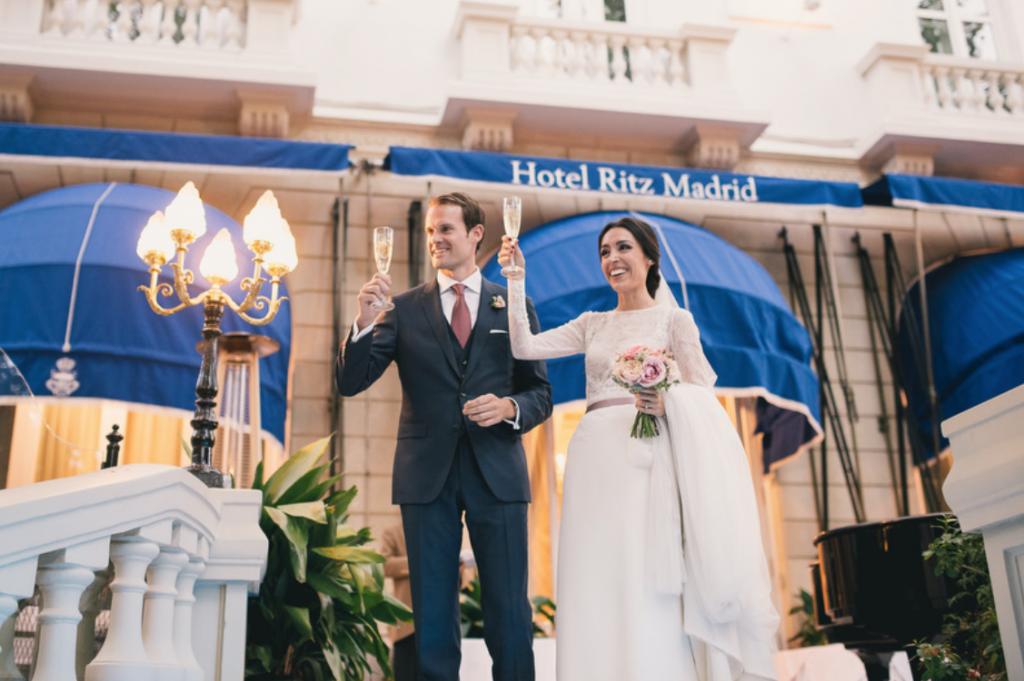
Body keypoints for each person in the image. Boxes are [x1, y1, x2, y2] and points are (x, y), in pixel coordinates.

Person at [498, 216, 779, 681]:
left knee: (646, 567)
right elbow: (524, 345)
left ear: (649, 258)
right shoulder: (592, 323)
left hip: (646, 456)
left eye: (623, 248)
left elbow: (704, 396)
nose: (612, 259)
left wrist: (668, 402)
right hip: (593, 457)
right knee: (597, 570)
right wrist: (516, 279)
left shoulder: (674, 320)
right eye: (604, 252)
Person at [337, 192, 552, 681]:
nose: (435, 239)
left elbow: (540, 392)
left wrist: (507, 407)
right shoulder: (404, 309)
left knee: (509, 612)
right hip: (425, 478)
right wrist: (363, 324)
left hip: (497, 475)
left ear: (476, 235)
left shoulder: (511, 303)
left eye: (446, 230)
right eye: (431, 231)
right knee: (432, 616)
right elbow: (350, 382)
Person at [380, 524, 415, 681]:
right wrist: (418, 561)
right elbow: (383, 564)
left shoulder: (442, 529)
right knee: (405, 673)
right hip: (406, 626)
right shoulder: (393, 532)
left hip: (438, 623)